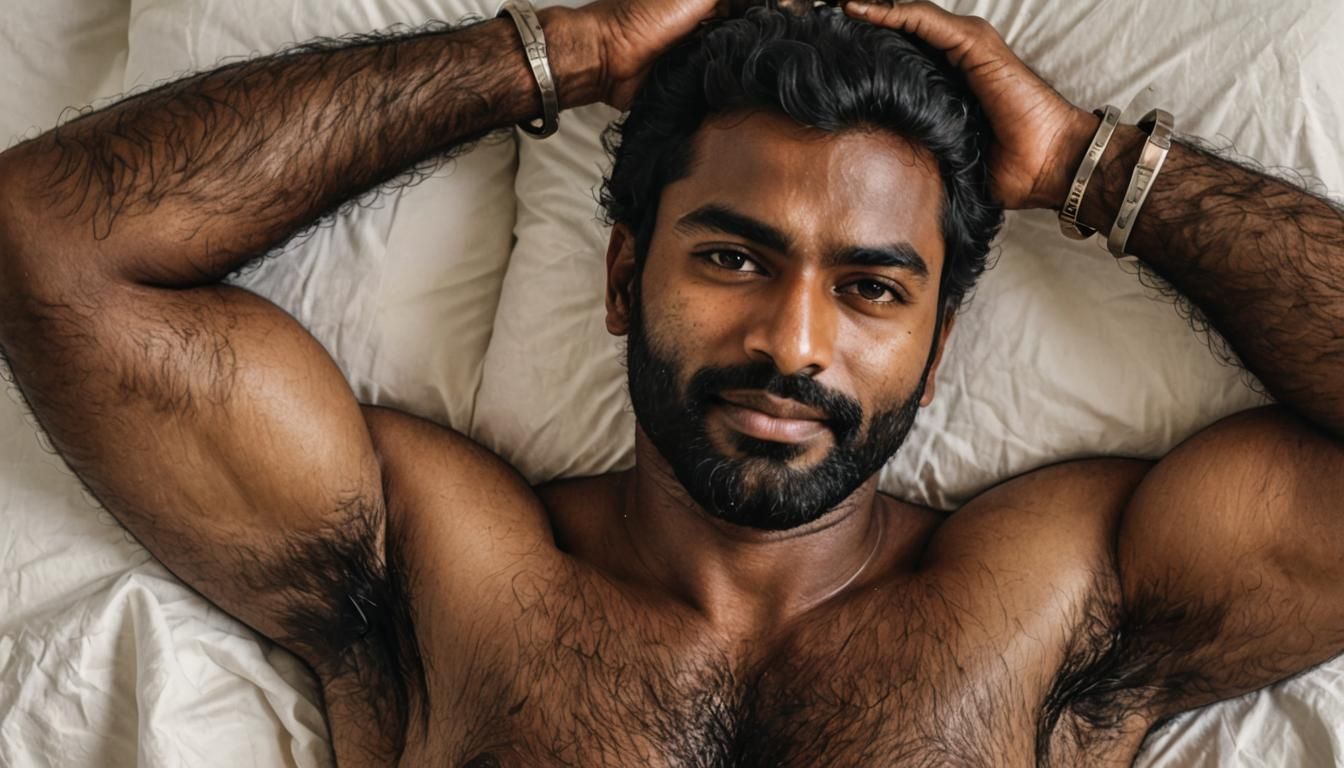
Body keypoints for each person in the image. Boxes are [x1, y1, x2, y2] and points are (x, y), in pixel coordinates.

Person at [0, 0, 1340, 764]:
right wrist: (558, 56)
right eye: (733, 256)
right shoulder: (441, 570)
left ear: (938, 352)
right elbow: (54, 241)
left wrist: (1095, 169)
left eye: (871, 288)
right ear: (621, 273)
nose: (793, 342)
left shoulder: (1061, 595)